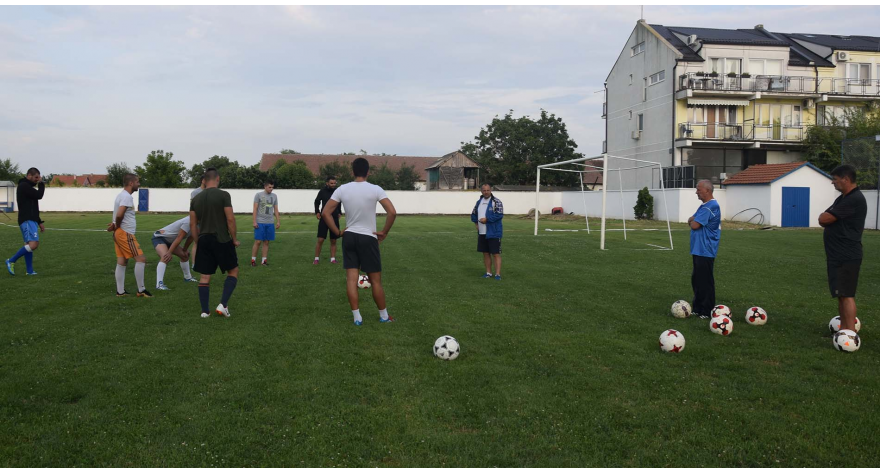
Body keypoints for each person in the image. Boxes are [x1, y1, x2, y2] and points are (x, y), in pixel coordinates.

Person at [321, 158, 397, 326]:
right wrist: (384, 232)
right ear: (368, 172)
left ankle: (357, 318)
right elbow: (392, 212)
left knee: (351, 279)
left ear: (352, 171)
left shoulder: (342, 189)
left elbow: (326, 212)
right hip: (368, 237)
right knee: (376, 281)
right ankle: (384, 316)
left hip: (349, 237)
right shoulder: (375, 189)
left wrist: (337, 232)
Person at [819, 164, 867, 333]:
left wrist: (828, 216)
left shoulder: (854, 199)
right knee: (841, 294)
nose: (833, 183)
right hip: (837, 255)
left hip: (846, 255)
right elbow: (824, 216)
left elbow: (824, 219)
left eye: (835, 179)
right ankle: (844, 330)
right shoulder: (843, 198)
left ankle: (850, 333)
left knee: (846, 295)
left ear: (846, 179)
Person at [190, 167, 240, 318]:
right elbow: (230, 219)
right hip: (221, 238)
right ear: (217, 179)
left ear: (204, 181)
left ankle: (205, 311)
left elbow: (193, 224)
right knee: (233, 271)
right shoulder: (224, 195)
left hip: (203, 239)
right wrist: (234, 239)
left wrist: (197, 241)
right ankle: (223, 304)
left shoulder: (196, 199)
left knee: (205, 276)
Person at [108, 173, 151, 297]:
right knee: (141, 259)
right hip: (125, 233)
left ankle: (120, 292)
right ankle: (141, 290)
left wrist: (115, 225)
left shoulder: (121, 195)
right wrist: (117, 225)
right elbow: (120, 214)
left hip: (120, 233)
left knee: (122, 261)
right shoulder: (127, 197)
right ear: (131, 183)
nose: (139, 184)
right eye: (137, 182)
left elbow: (118, 215)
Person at [688, 179, 721, 319]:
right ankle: (697, 307)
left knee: (705, 280)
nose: (696, 192)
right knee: (696, 279)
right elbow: (691, 219)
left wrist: (692, 220)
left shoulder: (710, 206)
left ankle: (707, 310)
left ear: (707, 190)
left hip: (706, 249)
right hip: (698, 249)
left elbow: (694, 224)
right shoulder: (704, 206)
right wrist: (692, 220)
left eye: (698, 190)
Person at [5, 167, 45, 276]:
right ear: (29, 176)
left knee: (28, 245)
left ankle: (30, 271)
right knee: (34, 244)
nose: (38, 179)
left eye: (39, 177)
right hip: (27, 220)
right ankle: (11, 260)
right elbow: (39, 195)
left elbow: (33, 207)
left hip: (31, 219)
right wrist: (42, 184)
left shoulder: (28, 187)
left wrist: (39, 221)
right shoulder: (24, 186)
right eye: (36, 177)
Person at [151, 215, 198, 290]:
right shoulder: (188, 221)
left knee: (184, 256)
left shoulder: (198, 223)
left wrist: (185, 249)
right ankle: (159, 284)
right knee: (165, 257)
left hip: (171, 241)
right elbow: (179, 237)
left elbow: (191, 238)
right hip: (160, 237)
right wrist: (169, 252)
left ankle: (187, 277)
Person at [470, 183, 504, 280]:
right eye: (484, 190)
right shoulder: (478, 202)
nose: (486, 192)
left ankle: (497, 274)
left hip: (493, 232)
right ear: (481, 191)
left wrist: (487, 220)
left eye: (488, 190)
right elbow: (474, 214)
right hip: (482, 232)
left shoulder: (496, 202)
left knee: (496, 253)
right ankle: (488, 273)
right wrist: (476, 223)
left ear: (491, 190)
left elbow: (499, 215)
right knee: (485, 253)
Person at [251, 179, 280, 266]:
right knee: (258, 242)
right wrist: (254, 221)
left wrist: (278, 221)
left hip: (270, 222)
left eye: (272, 187)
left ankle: (264, 261)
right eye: (269, 187)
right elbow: (255, 208)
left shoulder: (274, 196)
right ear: (265, 186)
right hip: (260, 222)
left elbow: (276, 209)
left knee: (267, 242)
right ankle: (253, 260)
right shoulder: (258, 195)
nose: (271, 189)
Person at [313, 176, 340, 264]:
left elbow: (339, 202)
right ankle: (316, 259)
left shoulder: (337, 192)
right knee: (320, 239)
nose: (333, 185)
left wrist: (339, 212)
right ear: (327, 183)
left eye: (334, 183)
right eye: (331, 183)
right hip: (324, 218)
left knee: (333, 240)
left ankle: (333, 259)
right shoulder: (322, 191)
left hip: (334, 218)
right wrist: (317, 212)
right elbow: (317, 201)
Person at [189, 176, 206, 270]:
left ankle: (206, 262)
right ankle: (194, 263)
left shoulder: (211, 191)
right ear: (203, 180)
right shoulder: (195, 192)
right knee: (196, 242)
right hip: (198, 221)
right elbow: (192, 207)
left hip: (208, 221)